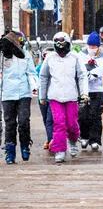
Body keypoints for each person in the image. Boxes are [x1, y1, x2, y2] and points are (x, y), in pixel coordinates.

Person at [40, 32, 88, 163]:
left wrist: (84, 93)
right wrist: (42, 96)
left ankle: (73, 140)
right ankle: (60, 150)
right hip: (55, 96)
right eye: (57, 44)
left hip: (71, 96)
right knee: (59, 123)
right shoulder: (50, 58)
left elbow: (82, 76)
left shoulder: (75, 57)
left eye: (63, 44)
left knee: (72, 123)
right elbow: (43, 77)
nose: (60, 47)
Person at [1, 31, 38, 164]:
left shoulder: (25, 55)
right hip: (8, 93)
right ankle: (10, 151)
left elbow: (31, 73)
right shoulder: (3, 56)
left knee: (23, 121)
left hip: (23, 93)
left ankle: (25, 145)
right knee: (10, 123)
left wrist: (33, 85)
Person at [78, 31, 103, 151]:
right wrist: (85, 75)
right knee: (82, 115)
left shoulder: (102, 56)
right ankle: (84, 136)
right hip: (84, 90)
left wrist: (92, 74)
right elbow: (80, 67)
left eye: (94, 46)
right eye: (89, 46)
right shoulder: (81, 54)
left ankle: (95, 139)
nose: (91, 48)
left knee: (95, 115)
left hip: (97, 89)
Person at [36, 47, 54, 150]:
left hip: (52, 97)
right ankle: (49, 137)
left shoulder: (55, 67)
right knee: (45, 119)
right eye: (45, 55)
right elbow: (38, 80)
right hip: (42, 97)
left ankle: (52, 139)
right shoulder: (39, 68)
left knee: (50, 120)